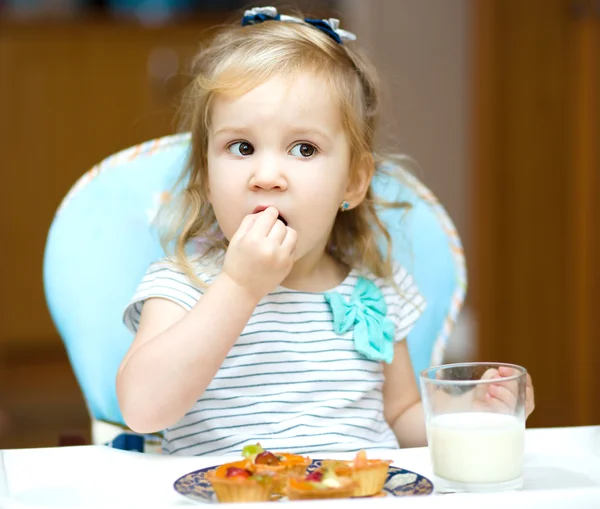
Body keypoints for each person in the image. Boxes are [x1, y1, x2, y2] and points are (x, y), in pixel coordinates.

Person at [116, 6, 535, 456]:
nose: (268, 175)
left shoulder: (374, 295)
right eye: (242, 147)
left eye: (304, 148)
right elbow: (142, 410)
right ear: (205, 176)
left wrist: (474, 411)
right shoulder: (182, 284)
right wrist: (238, 286)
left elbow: (401, 417)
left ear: (353, 182)